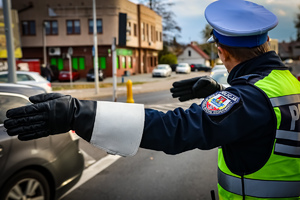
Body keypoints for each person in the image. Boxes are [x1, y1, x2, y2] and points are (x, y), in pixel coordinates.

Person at [4, 0, 300, 199]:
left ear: (221, 51)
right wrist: (217, 91)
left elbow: (176, 128)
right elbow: (260, 118)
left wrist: (77, 113)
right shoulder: (289, 83)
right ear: (265, 44)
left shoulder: (249, 98)